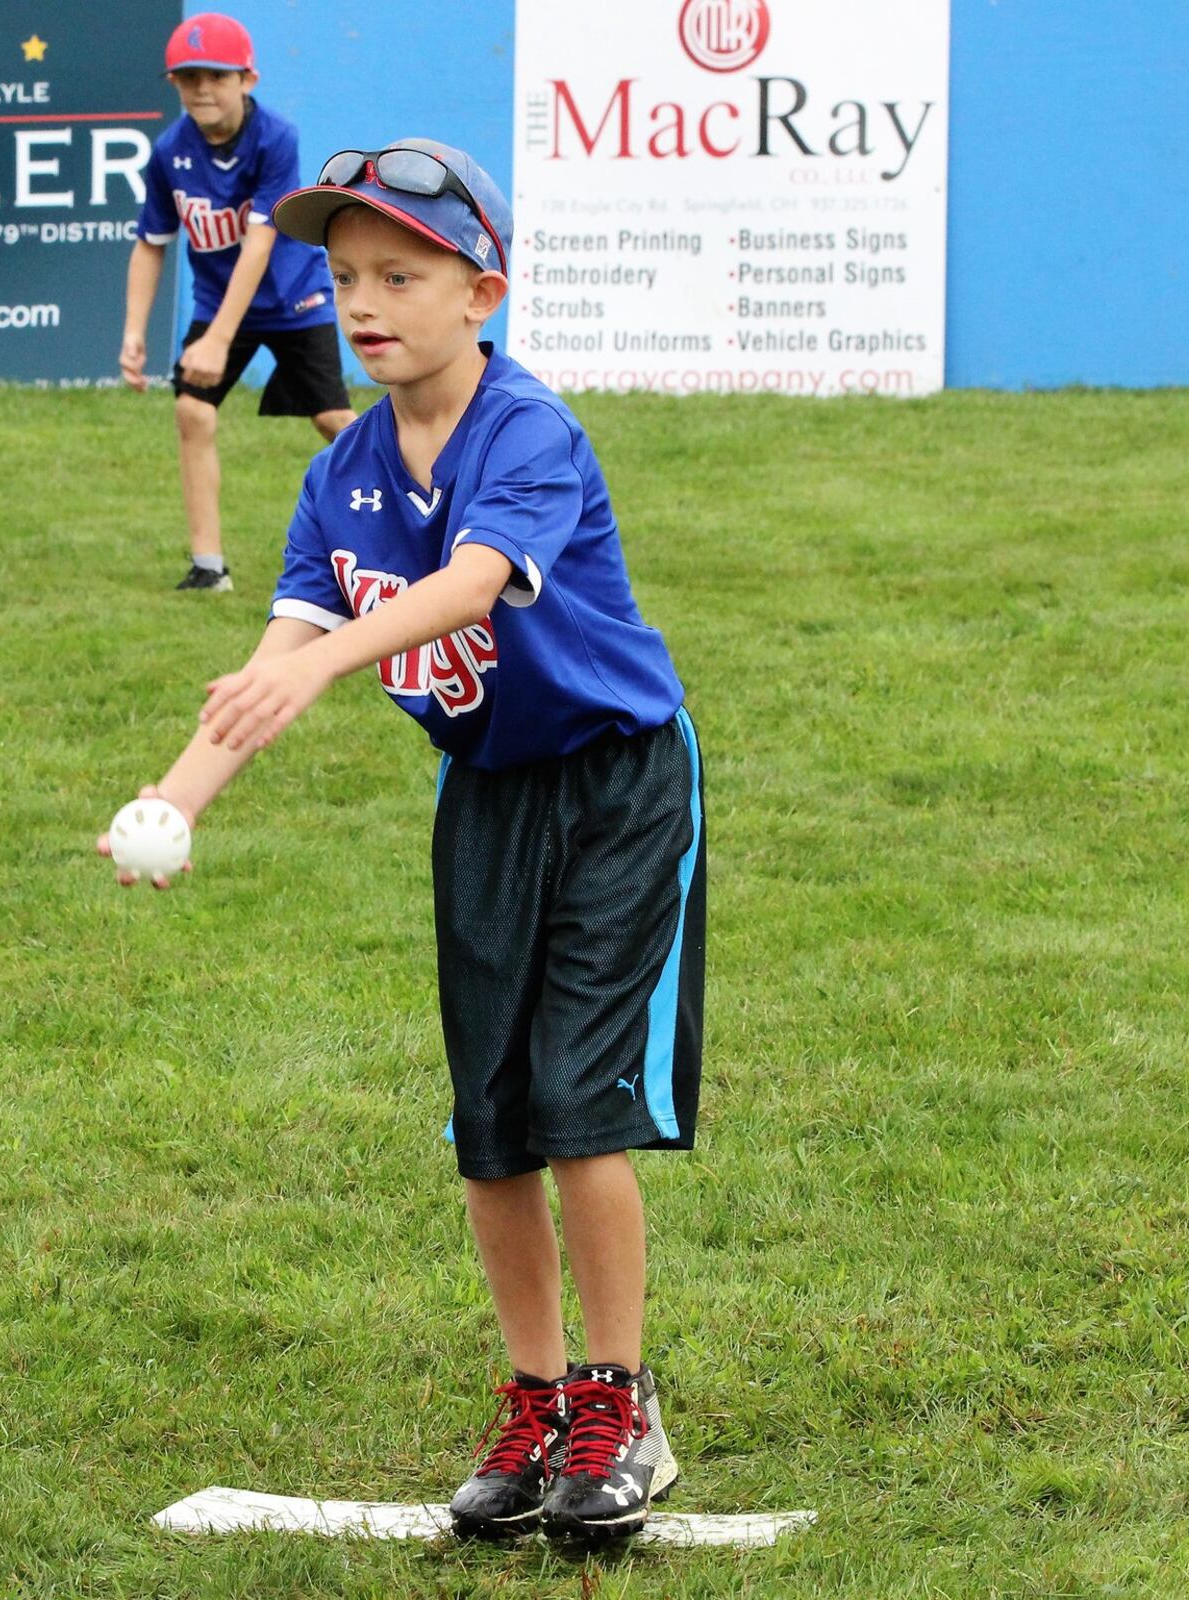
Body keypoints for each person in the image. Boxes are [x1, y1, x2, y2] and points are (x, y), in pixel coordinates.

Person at [98, 140, 704, 1545]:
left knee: (577, 1096)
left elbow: (472, 586)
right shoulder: (345, 474)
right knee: (489, 1126)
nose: (363, 303)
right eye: (345, 275)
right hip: (487, 794)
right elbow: (279, 654)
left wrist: (324, 663)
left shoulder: (527, 430)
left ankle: (622, 1406)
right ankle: (537, 1399)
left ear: (480, 291)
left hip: (614, 787)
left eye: (402, 275)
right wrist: (178, 795)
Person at [118, 12, 356, 592]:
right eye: (188, 76)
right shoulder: (168, 151)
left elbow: (260, 238)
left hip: (294, 298)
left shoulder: (276, 138)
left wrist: (219, 339)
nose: (202, 88)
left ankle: (426, 499)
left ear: (247, 79)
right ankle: (208, 567)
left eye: (216, 75)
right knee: (192, 411)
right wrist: (133, 331)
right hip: (218, 302)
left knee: (333, 420)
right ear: (173, 82)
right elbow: (151, 243)